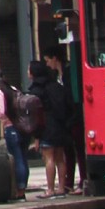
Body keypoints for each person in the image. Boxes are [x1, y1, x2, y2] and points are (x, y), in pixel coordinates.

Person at [43, 49, 86, 193]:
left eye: (48, 60)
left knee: (78, 149)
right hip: (65, 118)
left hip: (74, 116)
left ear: (55, 58)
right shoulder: (57, 77)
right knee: (67, 152)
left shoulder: (68, 73)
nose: (47, 64)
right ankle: (68, 182)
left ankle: (83, 180)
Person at [28, 58, 68, 197]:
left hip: (46, 127)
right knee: (60, 158)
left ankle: (50, 189)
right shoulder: (56, 86)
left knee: (48, 158)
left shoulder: (36, 90)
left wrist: (37, 136)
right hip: (60, 125)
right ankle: (62, 187)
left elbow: (35, 114)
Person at [0, 66, 28, 197]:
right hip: (22, 128)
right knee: (23, 159)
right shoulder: (14, 89)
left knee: (16, 159)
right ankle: (23, 188)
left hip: (11, 128)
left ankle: (19, 190)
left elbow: (1, 111)